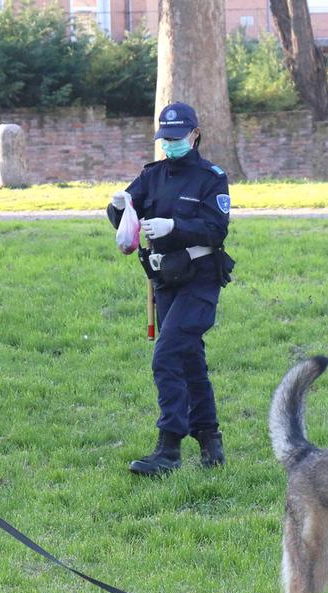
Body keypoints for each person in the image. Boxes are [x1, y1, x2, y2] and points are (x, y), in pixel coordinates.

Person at [107, 102, 234, 476]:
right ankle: (210, 441)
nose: (170, 144)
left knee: (166, 356)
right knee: (189, 359)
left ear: (194, 135)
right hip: (165, 280)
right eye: (165, 138)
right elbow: (126, 215)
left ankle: (169, 448)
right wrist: (118, 207)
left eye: (177, 137)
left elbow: (216, 229)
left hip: (200, 279)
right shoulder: (153, 175)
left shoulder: (211, 178)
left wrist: (174, 227)